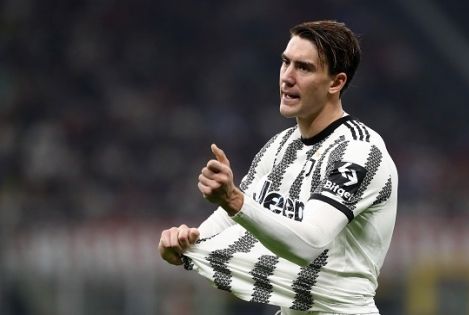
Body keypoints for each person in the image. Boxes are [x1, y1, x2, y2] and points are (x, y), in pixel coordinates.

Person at [158, 20, 398, 315]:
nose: (287, 77)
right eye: (286, 63)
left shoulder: (359, 152)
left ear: (336, 83)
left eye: (304, 68)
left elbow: (310, 243)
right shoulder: (278, 147)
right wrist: (182, 244)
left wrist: (234, 199)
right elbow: (229, 220)